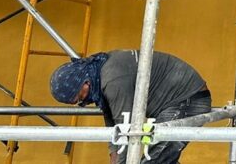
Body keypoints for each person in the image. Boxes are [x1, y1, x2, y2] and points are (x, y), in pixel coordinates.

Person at [50, 50, 211, 164]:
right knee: (161, 158)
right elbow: (114, 125)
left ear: (85, 82)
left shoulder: (112, 81)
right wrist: (114, 157)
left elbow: (127, 130)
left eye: (80, 97)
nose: (82, 102)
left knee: (153, 160)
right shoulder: (99, 73)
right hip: (180, 102)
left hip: (188, 100)